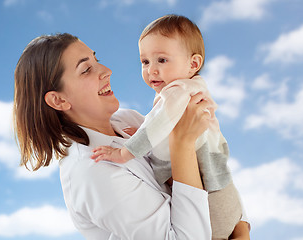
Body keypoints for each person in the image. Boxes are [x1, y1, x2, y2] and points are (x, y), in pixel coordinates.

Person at [13, 31, 250, 239]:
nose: (106, 71)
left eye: (97, 60)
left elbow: (209, 162)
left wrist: (241, 227)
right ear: (59, 100)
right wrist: (182, 144)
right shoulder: (91, 171)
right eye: (86, 69)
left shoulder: (129, 121)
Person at [92, 15, 248, 239]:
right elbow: (163, 126)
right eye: (145, 62)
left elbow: (160, 122)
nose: (151, 70)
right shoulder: (193, 88)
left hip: (210, 203)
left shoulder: (176, 93)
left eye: (162, 60)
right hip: (225, 198)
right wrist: (148, 135)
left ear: (193, 64)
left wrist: (124, 152)